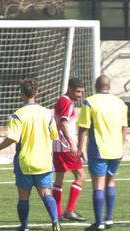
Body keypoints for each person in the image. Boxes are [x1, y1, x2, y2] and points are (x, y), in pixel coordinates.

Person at [0, 78, 63, 231]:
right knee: (46, 193)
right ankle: (55, 221)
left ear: (21, 94)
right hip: (44, 162)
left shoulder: (18, 115)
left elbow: (13, 138)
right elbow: (54, 135)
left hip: (25, 161)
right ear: (37, 93)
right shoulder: (47, 114)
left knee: (23, 196)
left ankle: (24, 227)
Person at [77, 75, 128, 231]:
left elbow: (84, 128)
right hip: (116, 149)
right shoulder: (120, 103)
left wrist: (79, 148)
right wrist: (121, 146)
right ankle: (109, 219)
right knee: (111, 182)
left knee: (98, 184)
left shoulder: (90, 102)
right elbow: (124, 128)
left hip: (99, 149)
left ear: (95, 86)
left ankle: (99, 223)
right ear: (109, 86)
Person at [52, 77, 89, 222]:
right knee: (81, 176)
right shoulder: (67, 103)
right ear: (70, 88)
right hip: (66, 148)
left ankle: (58, 213)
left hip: (57, 147)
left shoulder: (61, 101)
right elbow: (63, 123)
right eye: (78, 91)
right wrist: (73, 144)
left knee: (59, 180)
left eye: (81, 92)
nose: (80, 95)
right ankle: (70, 211)